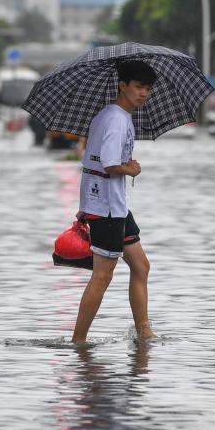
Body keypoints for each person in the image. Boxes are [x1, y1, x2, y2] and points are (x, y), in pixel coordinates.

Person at [71, 59, 157, 344]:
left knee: (141, 266)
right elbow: (109, 164)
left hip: (114, 203)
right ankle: (78, 340)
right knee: (102, 276)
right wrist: (130, 168)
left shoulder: (111, 115)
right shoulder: (117, 120)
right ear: (123, 86)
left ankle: (143, 332)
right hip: (106, 206)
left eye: (148, 88)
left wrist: (125, 165)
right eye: (138, 87)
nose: (144, 93)